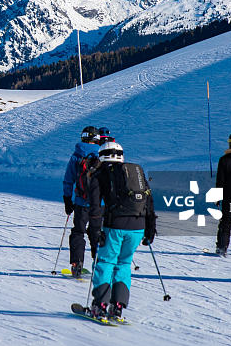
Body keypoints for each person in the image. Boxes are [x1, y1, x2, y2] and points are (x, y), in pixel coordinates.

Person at [87, 140, 156, 322]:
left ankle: (100, 305)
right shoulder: (135, 173)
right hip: (138, 227)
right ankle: (117, 307)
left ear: (101, 156)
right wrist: (150, 229)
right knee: (124, 264)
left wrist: (94, 232)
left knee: (105, 262)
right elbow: (149, 202)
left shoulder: (99, 174)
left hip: (114, 226)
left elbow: (94, 207)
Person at [62, 126, 102, 277]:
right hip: (99, 204)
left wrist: (67, 199)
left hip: (81, 202)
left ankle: (76, 263)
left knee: (78, 232)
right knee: (97, 232)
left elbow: (68, 180)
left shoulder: (76, 155)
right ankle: (99, 264)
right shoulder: (103, 155)